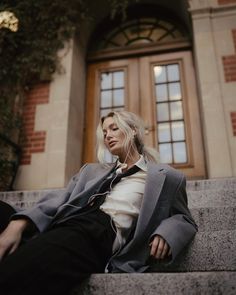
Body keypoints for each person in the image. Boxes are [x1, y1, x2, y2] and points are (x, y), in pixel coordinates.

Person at [0, 111, 197, 295]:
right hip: (64, 222)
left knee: (16, 272)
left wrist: (166, 232)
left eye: (114, 128)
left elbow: (184, 218)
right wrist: (19, 222)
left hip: (97, 231)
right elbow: (60, 199)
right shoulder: (92, 171)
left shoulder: (166, 177)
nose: (107, 135)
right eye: (104, 132)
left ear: (133, 130)